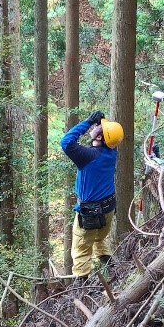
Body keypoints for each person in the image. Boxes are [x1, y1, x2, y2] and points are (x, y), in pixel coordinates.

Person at [60, 110, 124, 282]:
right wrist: (99, 128)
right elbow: (105, 139)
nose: (97, 127)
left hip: (89, 213)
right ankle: (113, 273)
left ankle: (81, 288)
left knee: (81, 250)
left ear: (100, 138)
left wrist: (88, 122)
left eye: (99, 129)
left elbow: (66, 142)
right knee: (100, 238)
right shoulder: (111, 151)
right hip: (108, 208)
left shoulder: (87, 157)